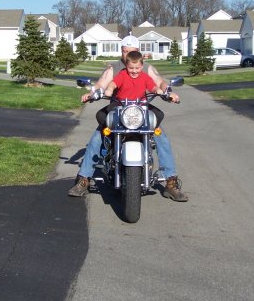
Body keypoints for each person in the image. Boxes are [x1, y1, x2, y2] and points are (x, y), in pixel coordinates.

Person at [68, 35, 188, 202]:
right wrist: (92, 93)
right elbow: (102, 83)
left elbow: (159, 82)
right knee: (98, 135)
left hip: (141, 110)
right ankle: (84, 179)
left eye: (131, 51)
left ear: (138, 51)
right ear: (121, 51)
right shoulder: (115, 68)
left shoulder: (145, 68)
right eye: (125, 51)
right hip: (118, 108)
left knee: (160, 136)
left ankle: (171, 182)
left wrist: (168, 92)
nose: (128, 55)